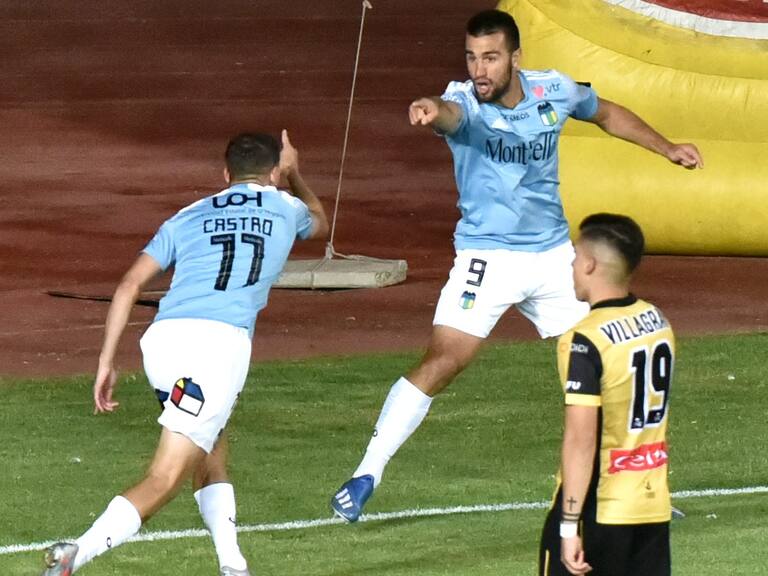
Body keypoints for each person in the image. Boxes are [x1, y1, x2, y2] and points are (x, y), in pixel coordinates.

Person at [330, 9, 700, 522]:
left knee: (607, 363)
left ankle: (630, 489)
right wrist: (431, 109)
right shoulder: (464, 102)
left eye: (490, 58)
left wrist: (667, 148)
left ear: (515, 58)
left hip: (554, 259)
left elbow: (607, 113)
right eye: (471, 58)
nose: (479, 70)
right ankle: (365, 475)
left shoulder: (555, 91)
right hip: (488, 258)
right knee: (443, 361)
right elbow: (450, 113)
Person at [41, 130, 329, 576]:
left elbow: (129, 285)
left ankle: (233, 565)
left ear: (226, 174)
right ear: (273, 172)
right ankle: (76, 554)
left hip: (163, 344)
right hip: (217, 351)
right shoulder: (286, 207)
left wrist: (106, 362)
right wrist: (295, 175)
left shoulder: (187, 215)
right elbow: (320, 222)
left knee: (212, 447)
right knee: (165, 476)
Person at [539, 213, 674, 576]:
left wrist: (569, 526)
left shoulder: (584, 340)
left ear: (589, 264)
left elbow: (581, 439)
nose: (571, 266)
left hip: (600, 509)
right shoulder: (658, 321)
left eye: (574, 256)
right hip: (651, 508)